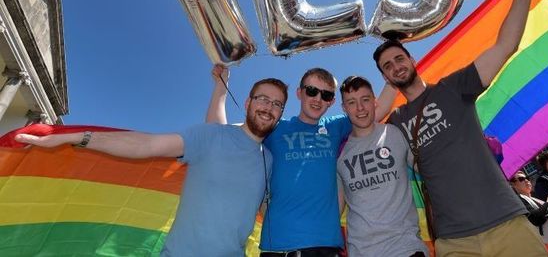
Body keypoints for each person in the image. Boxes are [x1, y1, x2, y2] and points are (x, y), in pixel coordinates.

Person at [372, 0, 547, 256]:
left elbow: (505, 46)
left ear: (412, 60)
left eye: (399, 59)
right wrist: (391, 80)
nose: (395, 66)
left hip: (506, 223)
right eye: (387, 67)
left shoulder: (454, 87)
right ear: (384, 78)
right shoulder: (397, 121)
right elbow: (370, 118)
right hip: (454, 241)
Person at [15, 77, 288, 257]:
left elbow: (270, 210)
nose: (269, 107)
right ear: (249, 102)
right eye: (263, 98)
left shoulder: (271, 161)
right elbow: (146, 145)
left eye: (277, 104)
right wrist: (76, 137)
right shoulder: (212, 136)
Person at [209, 67, 396, 256]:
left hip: (325, 247)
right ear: (300, 93)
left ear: (331, 102)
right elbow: (219, 136)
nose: (317, 99)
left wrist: (392, 74)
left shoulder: (335, 126)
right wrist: (221, 86)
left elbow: (376, 110)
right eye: (312, 91)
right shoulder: (275, 127)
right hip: (278, 248)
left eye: (326, 95)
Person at [337, 75, 429, 257]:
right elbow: (335, 208)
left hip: (407, 248)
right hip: (362, 252)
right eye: (352, 102)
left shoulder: (395, 132)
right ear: (344, 108)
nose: (360, 108)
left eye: (365, 100)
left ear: (375, 102)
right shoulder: (339, 152)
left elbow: (430, 170)